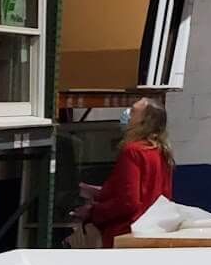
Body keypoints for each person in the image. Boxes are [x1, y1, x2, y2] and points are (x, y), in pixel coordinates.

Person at [75, 98, 174, 246]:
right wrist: (98, 192)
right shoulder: (161, 152)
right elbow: (151, 193)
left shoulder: (132, 151)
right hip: (153, 231)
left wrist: (93, 213)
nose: (127, 114)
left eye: (133, 111)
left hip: (126, 234)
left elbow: (128, 202)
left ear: (144, 121)